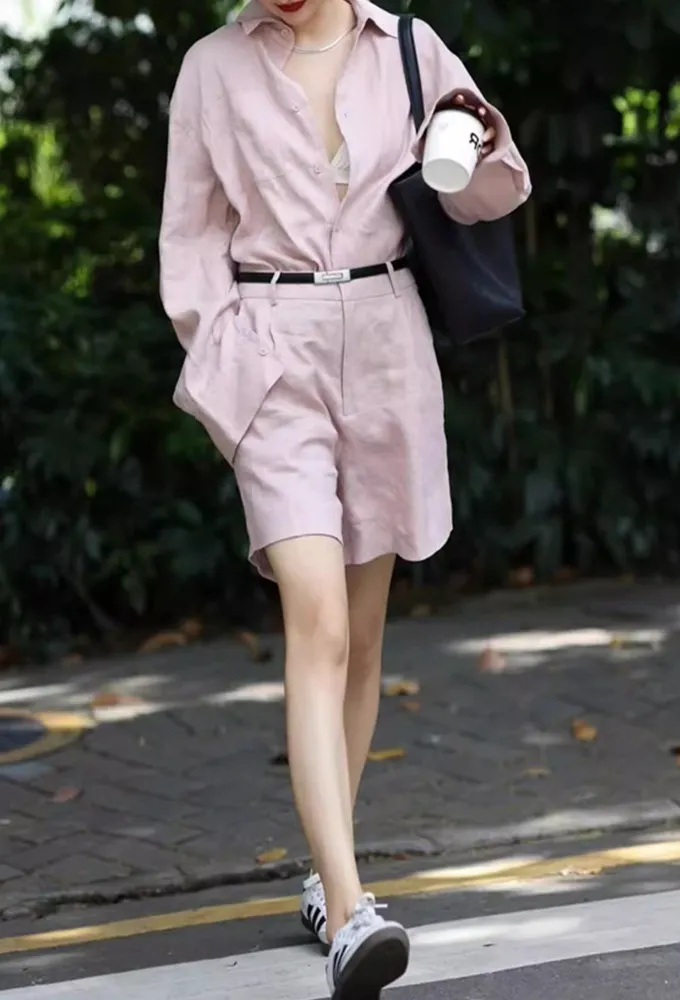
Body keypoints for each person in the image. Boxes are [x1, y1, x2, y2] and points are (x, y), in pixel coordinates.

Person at [159, 0, 530, 995]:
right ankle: (352, 908)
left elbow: (487, 196)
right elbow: (189, 244)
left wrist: (476, 134)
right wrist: (228, 374)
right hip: (270, 351)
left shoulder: (408, 46)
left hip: (387, 340)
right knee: (317, 619)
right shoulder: (211, 67)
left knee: (362, 639)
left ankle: (329, 877)